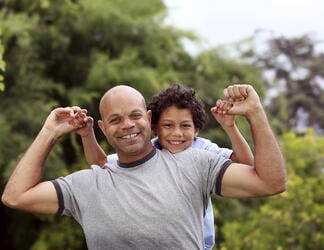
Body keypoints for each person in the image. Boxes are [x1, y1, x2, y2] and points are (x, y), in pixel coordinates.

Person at [2, 84, 286, 249]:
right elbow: (15, 196)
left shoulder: (195, 163)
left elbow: (271, 183)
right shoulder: (86, 186)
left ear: (149, 119)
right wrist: (50, 131)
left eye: (135, 115)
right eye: (115, 120)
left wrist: (255, 114)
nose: (127, 125)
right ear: (102, 127)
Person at [76, 84, 255, 250]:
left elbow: (246, 166)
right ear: (153, 127)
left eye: (185, 126)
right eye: (168, 125)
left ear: (196, 130)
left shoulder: (201, 149)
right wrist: (86, 134)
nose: (177, 133)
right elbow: (101, 163)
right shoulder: (147, 153)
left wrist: (230, 127)